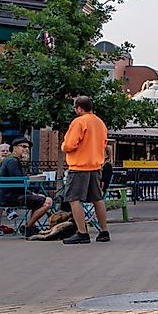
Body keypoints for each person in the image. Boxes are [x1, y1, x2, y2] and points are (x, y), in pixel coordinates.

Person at [60, 95, 110, 244]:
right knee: (97, 199)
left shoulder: (79, 122)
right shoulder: (100, 123)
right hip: (95, 166)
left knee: (74, 199)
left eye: (75, 108)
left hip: (79, 166)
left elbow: (69, 145)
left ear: (79, 108)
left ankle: (82, 232)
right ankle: (104, 231)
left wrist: (63, 146)